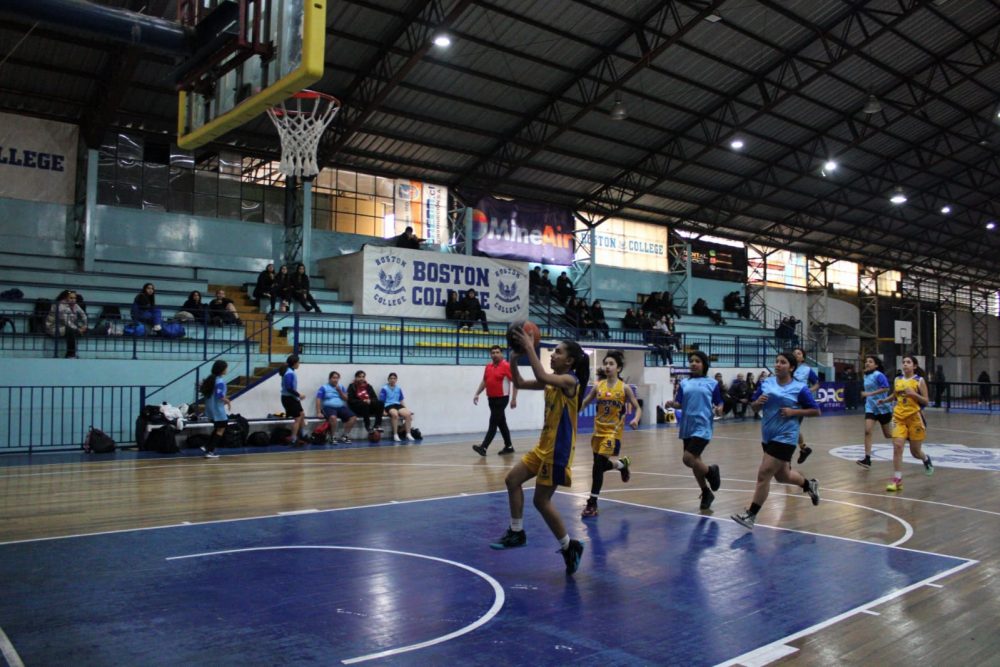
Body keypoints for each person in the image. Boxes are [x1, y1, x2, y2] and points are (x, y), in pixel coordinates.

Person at [489, 327, 589, 575]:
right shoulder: (551, 382)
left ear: (570, 361)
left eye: (558, 352)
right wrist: (513, 360)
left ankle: (569, 546)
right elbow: (521, 383)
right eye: (553, 351)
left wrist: (531, 348)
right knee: (512, 479)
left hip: (558, 451)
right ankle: (516, 532)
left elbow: (543, 376)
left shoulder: (570, 381)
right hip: (542, 447)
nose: (553, 355)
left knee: (541, 501)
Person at [731, 351, 821, 530]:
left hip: (786, 437)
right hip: (768, 436)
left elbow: (816, 411)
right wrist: (758, 403)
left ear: (792, 367)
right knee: (782, 476)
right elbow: (755, 407)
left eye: (783, 362)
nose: (778, 365)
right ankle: (808, 484)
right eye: (777, 361)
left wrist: (794, 412)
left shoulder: (799, 388)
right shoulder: (766, 383)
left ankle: (751, 515)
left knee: (764, 474)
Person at [578, 351, 641, 518]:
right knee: (598, 465)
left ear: (619, 368)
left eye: (611, 363)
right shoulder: (599, 385)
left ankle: (592, 503)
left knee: (597, 466)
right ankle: (621, 465)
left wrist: (635, 418)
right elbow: (586, 401)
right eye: (605, 363)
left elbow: (637, 407)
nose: (607, 366)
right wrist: (576, 410)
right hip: (597, 431)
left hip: (613, 433)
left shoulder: (625, 388)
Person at [665, 351, 725, 510]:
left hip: (703, 425)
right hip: (687, 426)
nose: (693, 363)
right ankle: (706, 492)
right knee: (695, 461)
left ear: (704, 364)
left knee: (688, 458)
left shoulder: (712, 383)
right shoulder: (684, 383)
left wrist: (719, 409)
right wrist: (672, 403)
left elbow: (719, 402)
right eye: (691, 361)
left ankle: (711, 471)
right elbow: (680, 404)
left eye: (697, 361)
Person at [878, 355, 933, 492]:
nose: (905, 364)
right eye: (903, 362)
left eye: (908, 362)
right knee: (897, 446)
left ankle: (926, 459)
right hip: (899, 417)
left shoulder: (919, 381)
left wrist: (913, 394)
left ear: (914, 366)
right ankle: (897, 480)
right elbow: (895, 395)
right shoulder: (898, 379)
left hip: (915, 417)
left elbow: (926, 401)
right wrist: (885, 400)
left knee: (915, 452)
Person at [473, 345, 518, 456]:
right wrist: (477, 393)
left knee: (493, 422)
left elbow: (516, 382)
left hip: (502, 399)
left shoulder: (506, 366)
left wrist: (514, 399)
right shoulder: (488, 367)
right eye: (493, 352)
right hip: (491, 399)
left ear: (501, 354)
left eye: (497, 352)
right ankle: (509, 446)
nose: (495, 354)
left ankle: (483, 447)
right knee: (501, 423)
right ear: (490, 354)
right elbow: (485, 381)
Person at [857, 355, 893, 469]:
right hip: (871, 407)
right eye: (866, 361)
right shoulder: (865, 375)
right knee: (867, 431)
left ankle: (904, 435)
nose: (867, 363)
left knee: (888, 435)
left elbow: (886, 388)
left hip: (883, 407)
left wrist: (869, 394)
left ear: (876, 365)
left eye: (870, 362)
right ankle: (867, 459)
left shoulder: (879, 375)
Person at [791, 346, 820, 464]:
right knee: (792, 427)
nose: (796, 355)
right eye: (794, 353)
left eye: (798, 353)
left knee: (791, 427)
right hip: (787, 400)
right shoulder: (788, 367)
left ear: (802, 357)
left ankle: (787, 461)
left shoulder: (807, 369)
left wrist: (809, 391)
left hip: (798, 402)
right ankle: (804, 448)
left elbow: (817, 384)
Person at [199, 359, 231, 459]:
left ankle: (206, 446)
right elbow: (219, 395)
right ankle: (210, 451)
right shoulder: (220, 381)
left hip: (211, 409)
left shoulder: (211, 379)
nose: (227, 369)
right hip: (218, 410)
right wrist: (227, 401)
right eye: (226, 368)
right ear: (221, 369)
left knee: (218, 428)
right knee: (221, 429)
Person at [315, 370, 357, 444]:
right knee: (333, 418)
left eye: (337, 378)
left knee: (353, 417)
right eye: (334, 378)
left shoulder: (341, 387)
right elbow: (318, 399)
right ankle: (332, 437)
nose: (335, 380)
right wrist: (318, 412)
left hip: (340, 407)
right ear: (330, 379)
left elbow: (346, 399)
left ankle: (345, 435)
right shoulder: (324, 388)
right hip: (328, 407)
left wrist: (340, 391)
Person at [45, 290, 88, 358]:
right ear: (66, 298)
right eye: (71, 298)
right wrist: (78, 330)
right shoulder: (60, 306)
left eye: (74, 298)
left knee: (85, 330)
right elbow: (66, 322)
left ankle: (105, 330)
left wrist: (84, 326)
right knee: (71, 330)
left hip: (65, 327)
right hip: (54, 328)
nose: (73, 300)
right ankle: (70, 354)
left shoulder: (75, 305)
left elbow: (84, 316)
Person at [280, 354, 307, 446]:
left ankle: (302, 434)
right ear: (294, 363)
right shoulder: (289, 373)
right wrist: (299, 395)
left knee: (302, 414)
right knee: (297, 418)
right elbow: (289, 388)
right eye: (298, 362)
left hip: (292, 398)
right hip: (288, 398)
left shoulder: (290, 371)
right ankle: (293, 439)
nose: (299, 364)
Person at [379, 372, 415, 442]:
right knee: (395, 415)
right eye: (391, 378)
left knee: (408, 415)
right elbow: (381, 401)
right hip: (388, 405)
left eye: (394, 378)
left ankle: (408, 433)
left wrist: (406, 409)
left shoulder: (398, 388)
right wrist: (383, 410)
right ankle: (395, 434)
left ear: (396, 380)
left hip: (397, 404)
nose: (392, 380)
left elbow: (401, 400)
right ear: (388, 379)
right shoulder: (384, 388)